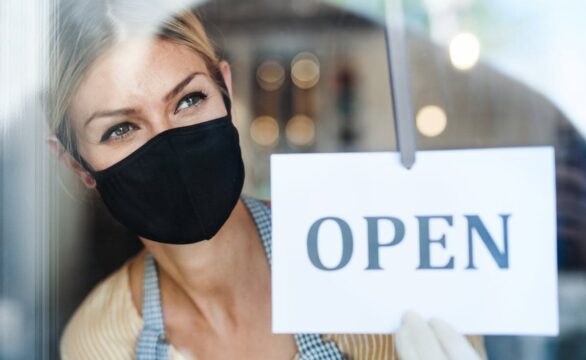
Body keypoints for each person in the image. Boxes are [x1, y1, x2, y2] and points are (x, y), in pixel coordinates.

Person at [47, 1, 487, 359]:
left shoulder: (372, 259)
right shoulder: (98, 341)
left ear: (225, 88)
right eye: (120, 129)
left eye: (188, 100)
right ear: (75, 164)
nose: (168, 142)